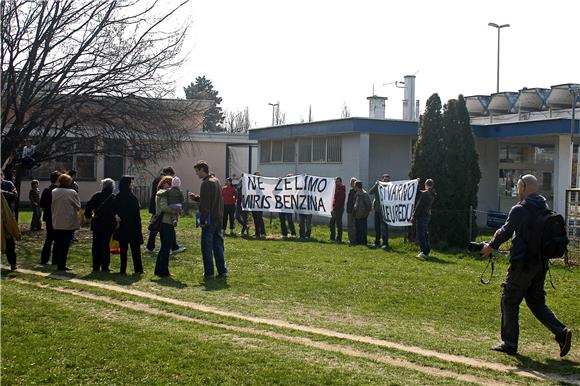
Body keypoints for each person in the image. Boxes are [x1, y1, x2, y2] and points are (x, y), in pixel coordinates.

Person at [481, 174, 572, 357]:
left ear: (523, 187)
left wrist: (490, 247)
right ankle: (561, 332)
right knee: (537, 302)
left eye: (517, 186)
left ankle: (509, 343)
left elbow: (506, 231)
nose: (516, 190)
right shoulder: (543, 207)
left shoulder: (519, 209)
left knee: (509, 299)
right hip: (540, 265)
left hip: (522, 265)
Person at [189, 160, 228, 279]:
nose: (197, 174)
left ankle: (209, 272)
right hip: (219, 218)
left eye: (197, 171)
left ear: (202, 170)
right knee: (218, 245)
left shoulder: (205, 183)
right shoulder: (216, 181)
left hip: (210, 220)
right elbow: (212, 199)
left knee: (206, 246)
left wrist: (202, 221)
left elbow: (205, 205)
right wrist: (196, 198)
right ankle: (222, 270)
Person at [146, 166, 183, 253]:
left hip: (155, 206)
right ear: (169, 173)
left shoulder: (157, 179)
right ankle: (174, 247)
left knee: (155, 226)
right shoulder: (164, 180)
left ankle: (150, 246)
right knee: (160, 226)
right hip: (160, 207)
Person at [113, 176, 144, 275]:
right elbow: (136, 214)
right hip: (133, 227)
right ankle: (138, 269)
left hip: (122, 227)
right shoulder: (132, 197)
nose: (132, 185)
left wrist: (116, 216)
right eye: (131, 183)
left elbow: (114, 209)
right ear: (127, 184)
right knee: (135, 250)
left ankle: (123, 269)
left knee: (123, 250)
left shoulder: (118, 196)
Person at [84, 178, 116, 272]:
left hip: (97, 222)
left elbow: (88, 206)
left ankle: (96, 265)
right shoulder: (113, 197)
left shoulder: (97, 195)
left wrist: (89, 216)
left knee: (96, 244)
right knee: (106, 244)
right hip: (109, 223)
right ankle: (105, 266)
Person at [51, 173, 81, 271]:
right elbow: (78, 206)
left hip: (56, 220)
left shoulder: (54, 191)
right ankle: (62, 264)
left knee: (58, 242)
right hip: (68, 221)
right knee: (65, 244)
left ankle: (55, 261)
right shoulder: (72, 192)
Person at [153, 176, 178, 277]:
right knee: (166, 248)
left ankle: (159, 270)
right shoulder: (163, 193)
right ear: (163, 183)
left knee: (164, 247)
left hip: (166, 222)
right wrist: (174, 210)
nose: (171, 185)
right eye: (169, 183)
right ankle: (163, 271)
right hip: (166, 222)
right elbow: (163, 207)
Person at [39, 170, 60, 264]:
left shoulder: (47, 190)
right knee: (57, 239)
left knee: (49, 238)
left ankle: (44, 259)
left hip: (48, 216)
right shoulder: (59, 191)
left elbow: (42, 204)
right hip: (58, 216)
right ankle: (55, 260)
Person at [412, 178, 436, 258]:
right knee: (425, 233)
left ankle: (424, 252)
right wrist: (417, 184)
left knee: (421, 234)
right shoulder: (432, 193)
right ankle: (427, 250)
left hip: (422, 215)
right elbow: (420, 192)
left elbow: (419, 206)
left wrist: (414, 216)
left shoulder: (425, 194)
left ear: (426, 185)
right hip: (427, 215)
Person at [368, 173, 391, 249]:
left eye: (387, 180)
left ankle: (385, 243)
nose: (386, 181)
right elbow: (370, 192)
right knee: (376, 227)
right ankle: (377, 242)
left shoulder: (390, 188)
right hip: (377, 210)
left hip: (385, 211)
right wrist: (376, 185)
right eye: (384, 179)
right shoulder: (378, 187)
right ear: (382, 179)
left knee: (384, 227)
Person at [1, 193, 21, 271]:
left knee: (10, 246)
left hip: (4, 226)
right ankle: (13, 264)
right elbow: (7, 216)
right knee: (10, 246)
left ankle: (13, 263)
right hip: (4, 227)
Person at [353, 180, 372, 246]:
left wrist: (365, 213)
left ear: (358, 187)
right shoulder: (357, 194)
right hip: (357, 214)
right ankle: (358, 242)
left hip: (363, 215)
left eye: (355, 186)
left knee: (363, 230)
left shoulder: (364, 194)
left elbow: (369, 205)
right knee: (358, 229)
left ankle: (363, 242)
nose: (354, 187)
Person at [330, 177, 346, 243]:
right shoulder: (335, 189)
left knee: (338, 224)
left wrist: (334, 209)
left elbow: (339, 201)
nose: (336, 183)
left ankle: (339, 238)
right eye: (335, 181)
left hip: (339, 209)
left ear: (340, 182)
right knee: (332, 223)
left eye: (337, 181)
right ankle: (333, 238)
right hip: (335, 208)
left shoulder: (341, 189)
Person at [251, 171, 266, 238]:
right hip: (253, 204)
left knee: (260, 218)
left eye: (259, 175)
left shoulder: (262, 183)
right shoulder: (251, 184)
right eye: (257, 175)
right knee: (255, 219)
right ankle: (257, 233)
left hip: (260, 204)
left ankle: (263, 233)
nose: (258, 177)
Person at [346, 177, 357, 245]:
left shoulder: (357, 191)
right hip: (349, 210)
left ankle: (354, 239)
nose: (352, 184)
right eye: (351, 183)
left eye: (353, 183)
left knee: (354, 226)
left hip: (354, 211)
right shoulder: (351, 191)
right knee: (350, 226)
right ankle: (350, 239)